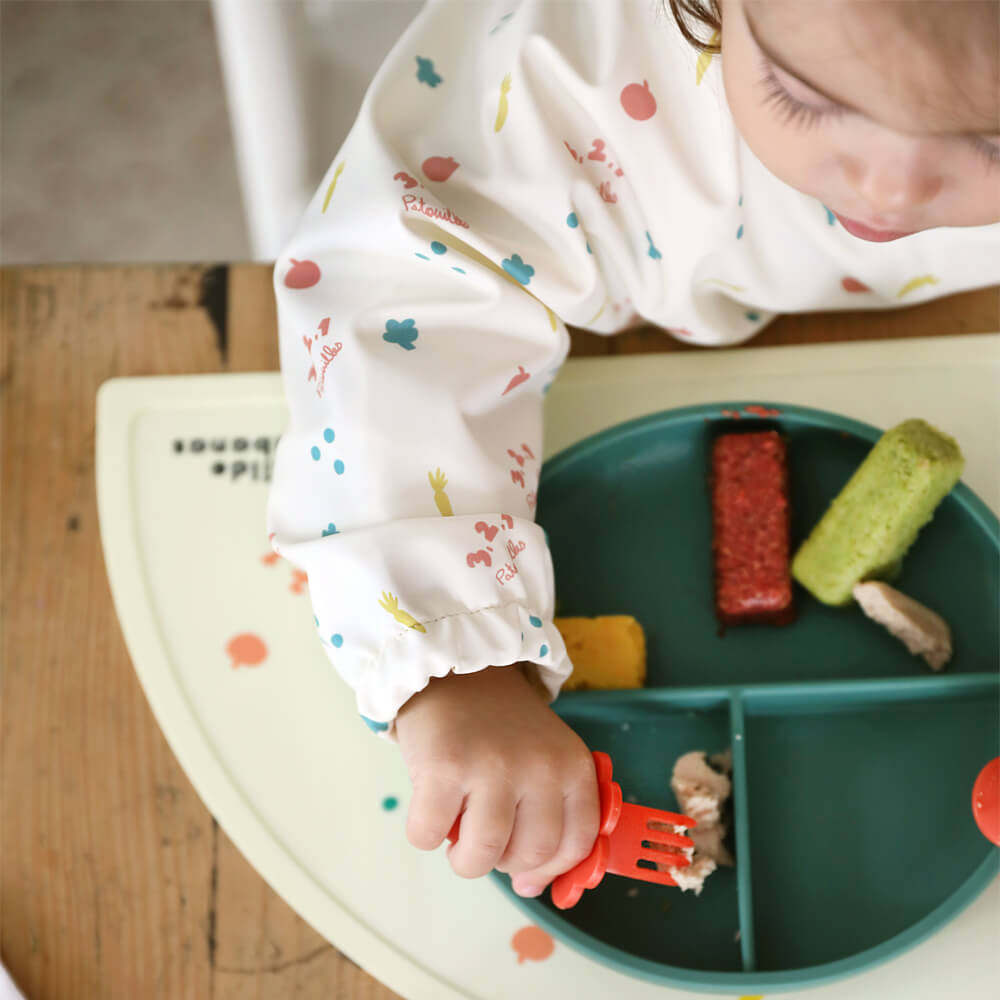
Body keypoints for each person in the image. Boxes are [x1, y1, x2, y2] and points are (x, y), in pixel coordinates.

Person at [267, 0, 1000, 901]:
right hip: (631, 267)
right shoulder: (573, 59)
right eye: (804, 97)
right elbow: (392, 293)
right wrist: (455, 658)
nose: (889, 192)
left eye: (994, 139)